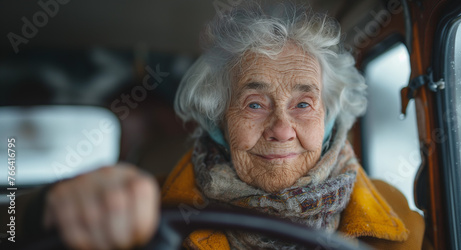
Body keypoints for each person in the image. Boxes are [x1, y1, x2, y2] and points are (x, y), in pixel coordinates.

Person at [35, 1, 425, 249]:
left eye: (303, 104)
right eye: (255, 104)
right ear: (219, 119)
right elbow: (13, 229)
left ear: (329, 118)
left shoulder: (394, 214)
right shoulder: (140, 209)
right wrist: (53, 209)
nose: (282, 129)